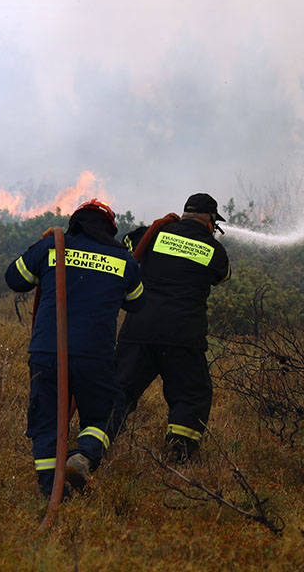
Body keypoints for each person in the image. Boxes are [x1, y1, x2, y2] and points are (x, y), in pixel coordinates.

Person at [5, 199, 144, 496]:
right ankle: (84, 455)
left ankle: (50, 491)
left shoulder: (53, 246)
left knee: (47, 421)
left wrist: (39, 248)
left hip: (47, 352)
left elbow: (15, 279)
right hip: (94, 355)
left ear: (75, 222)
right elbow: (137, 303)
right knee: (108, 413)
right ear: (111, 229)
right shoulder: (125, 260)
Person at [116, 193, 230, 463]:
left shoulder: (154, 233)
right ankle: (180, 455)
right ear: (211, 220)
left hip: (140, 329)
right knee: (192, 395)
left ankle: (92, 446)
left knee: (118, 390)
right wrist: (211, 243)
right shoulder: (213, 249)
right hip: (183, 336)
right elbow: (222, 276)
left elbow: (129, 242)